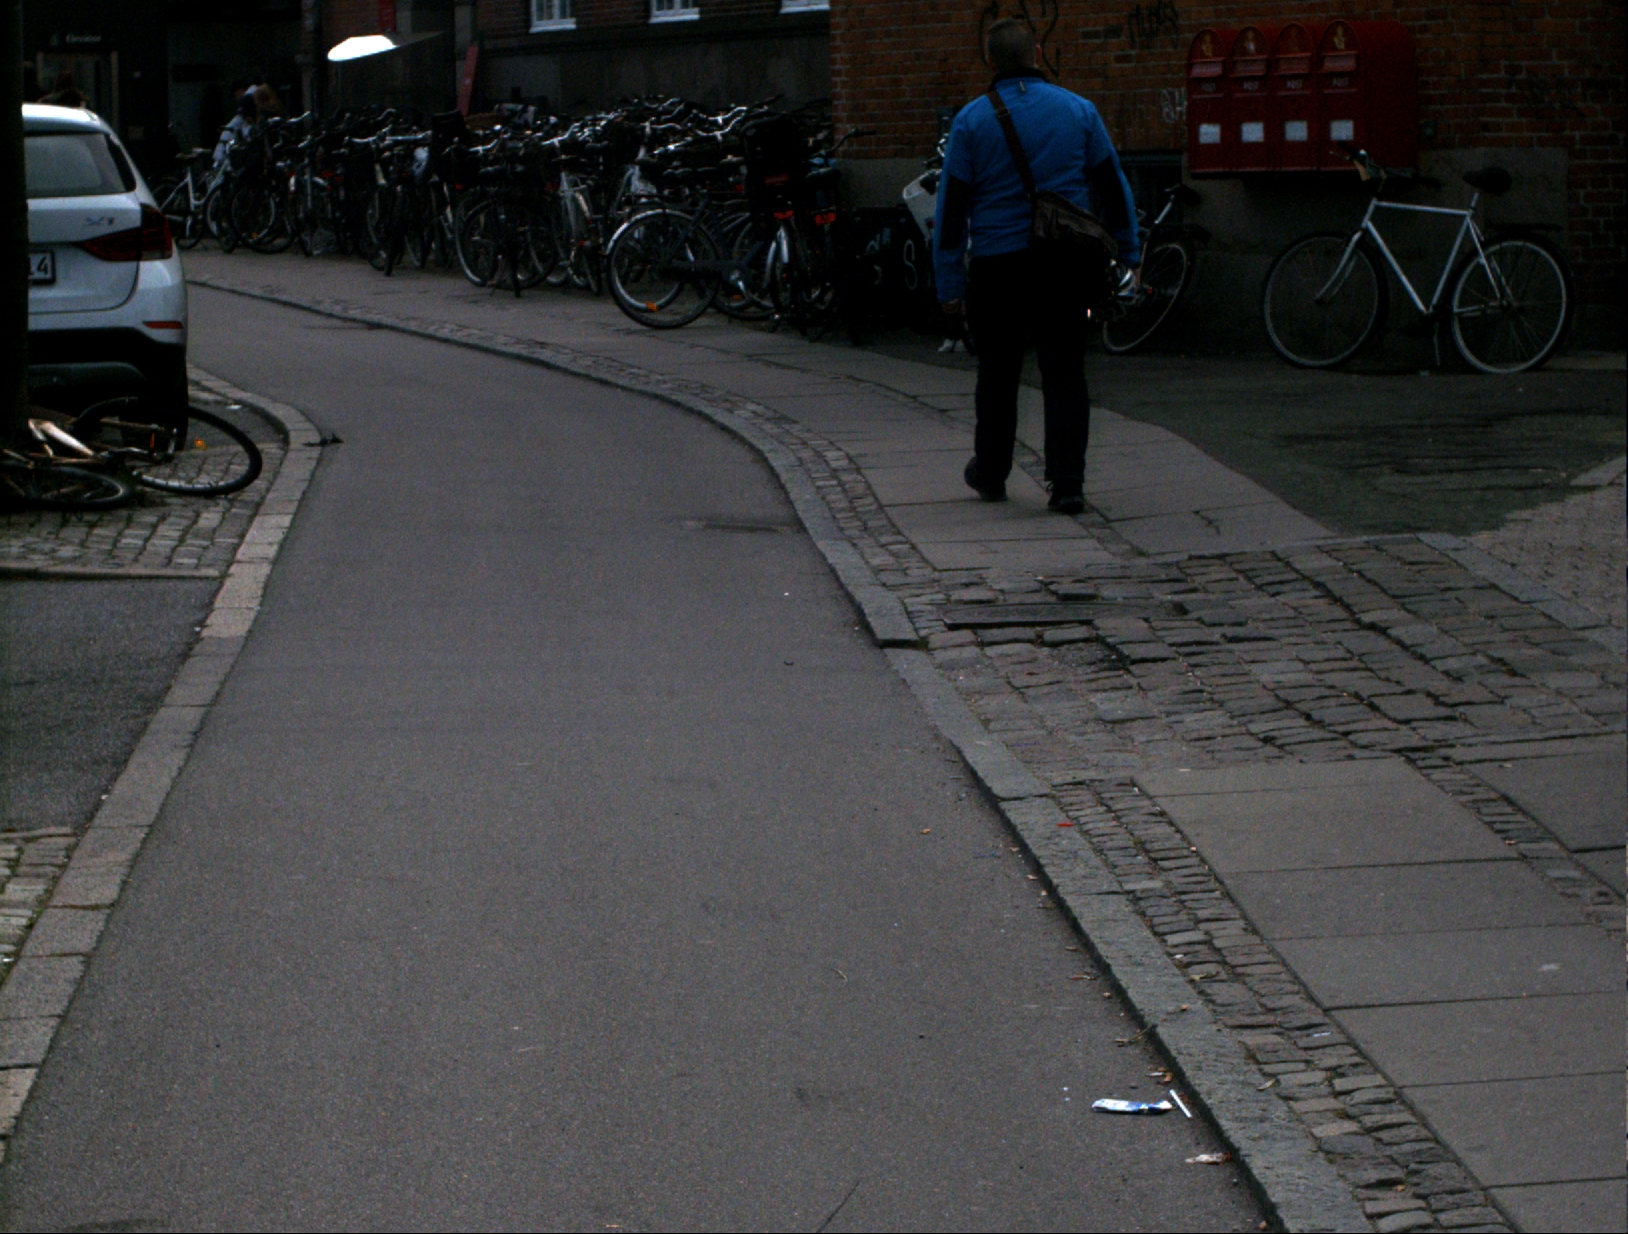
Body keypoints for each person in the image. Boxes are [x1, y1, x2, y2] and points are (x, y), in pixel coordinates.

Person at [934, 19, 1140, 514]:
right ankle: (1067, 483)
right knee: (1065, 370)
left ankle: (991, 472)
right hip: (1065, 263)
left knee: (997, 372)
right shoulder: (1079, 111)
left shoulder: (971, 121)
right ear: (1038, 53)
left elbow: (951, 211)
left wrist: (949, 284)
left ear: (990, 60)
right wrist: (1130, 255)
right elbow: (1113, 188)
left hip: (997, 265)